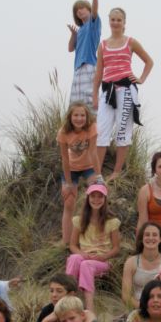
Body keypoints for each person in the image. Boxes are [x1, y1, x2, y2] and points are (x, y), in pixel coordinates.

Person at [93, 7, 153, 179]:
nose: (116, 23)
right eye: (113, 19)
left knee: (122, 130)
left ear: (124, 22)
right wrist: (94, 95)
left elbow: (149, 61)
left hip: (126, 90)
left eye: (119, 20)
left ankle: (117, 172)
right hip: (107, 90)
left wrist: (141, 78)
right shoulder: (103, 45)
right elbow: (99, 72)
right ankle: (97, 174)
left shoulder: (131, 42)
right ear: (109, 21)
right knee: (102, 131)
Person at [66, 183, 120, 311]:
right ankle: (67, 297)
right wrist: (82, 254)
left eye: (100, 197)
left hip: (103, 261)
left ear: (105, 199)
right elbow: (72, 245)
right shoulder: (79, 220)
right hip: (85, 256)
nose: (96, 200)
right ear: (88, 198)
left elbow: (116, 248)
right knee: (74, 258)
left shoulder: (111, 222)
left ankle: (89, 308)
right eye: (93, 196)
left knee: (86, 265)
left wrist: (103, 256)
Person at [58, 102, 102, 244]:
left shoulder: (91, 128)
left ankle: (94, 236)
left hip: (89, 166)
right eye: (76, 115)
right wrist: (69, 183)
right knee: (69, 202)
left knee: (96, 194)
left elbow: (93, 152)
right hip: (71, 168)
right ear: (70, 117)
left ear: (86, 116)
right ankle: (66, 242)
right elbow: (64, 158)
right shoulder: (63, 132)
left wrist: (98, 175)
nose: (79, 118)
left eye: (82, 115)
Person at [68, 0, 101, 111]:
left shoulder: (93, 24)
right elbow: (70, 48)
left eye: (82, 8)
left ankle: (94, 130)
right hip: (77, 70)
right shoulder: (80, 30)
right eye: (77, 10)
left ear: (88, 9)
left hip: (89, 66)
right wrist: (73, 34)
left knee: (89, 105)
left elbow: (95, 9)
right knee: (75, 105)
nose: (80, 11)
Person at [122, 221, 161, 310]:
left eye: (154, 235)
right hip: (138, 308)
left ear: (160, 239)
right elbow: (126, 296)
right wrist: (144, 308)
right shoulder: (131, 262)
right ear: (142, 238)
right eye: (147, 235)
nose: (151, 238)